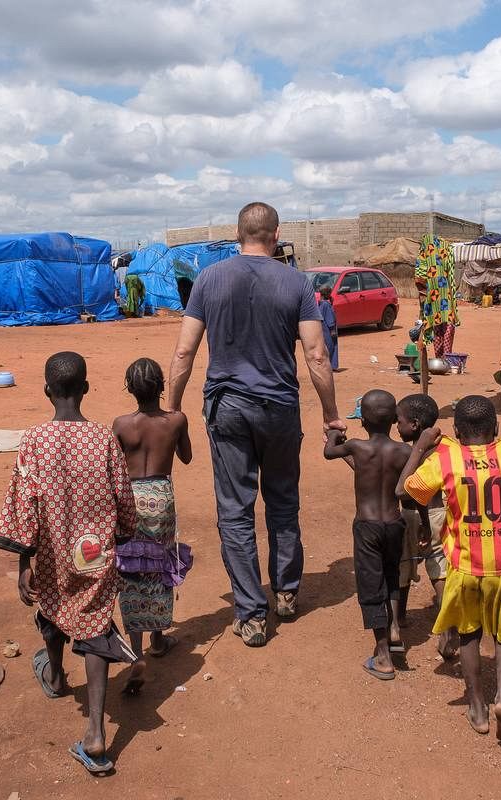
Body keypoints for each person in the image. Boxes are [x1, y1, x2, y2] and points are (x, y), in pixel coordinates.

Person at [167, 202, 345, 647]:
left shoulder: (209, 279)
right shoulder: (296, 283)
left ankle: (250, 614)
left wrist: (173, 408)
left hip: (227, 409)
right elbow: (316, 354)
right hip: (279, 408)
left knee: (235, 511)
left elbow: (185, 351)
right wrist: (330, 414)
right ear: (276, 234)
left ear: (237, 234)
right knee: (282, 501)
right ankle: (285, 592)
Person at [0, 352, 138, 775]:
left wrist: (24, 561)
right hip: (93, 553)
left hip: (53, 551)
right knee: (94, 626)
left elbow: (24, 502)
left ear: (46, 391)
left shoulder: (35, 440)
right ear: (86, 389)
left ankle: (56, 678)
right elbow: (123, 496)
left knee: (53, 605)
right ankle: (94, 732)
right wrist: (123, 533)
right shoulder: (103, 438)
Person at [398, 395, 501, 741]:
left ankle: (477, 706)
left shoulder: (446, 457)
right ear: (496, 428)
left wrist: (420, 446)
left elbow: (403, 491)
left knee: (469, 634)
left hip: (463, 567)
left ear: (456, 431)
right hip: (499, 568)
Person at [112, 358, 192, 695]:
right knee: (160, 566)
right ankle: (158, 639)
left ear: (129, 388)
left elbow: (114, 468)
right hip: (161, 498)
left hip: (130, 498)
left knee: (130, 567)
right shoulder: (176, 420)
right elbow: (186, 457)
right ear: (161, 386)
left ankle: (136, 650)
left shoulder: (121, 424)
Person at [324, 390, 410, 680]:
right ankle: (394, 627)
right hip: (394, 523)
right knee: (392, 575)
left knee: (371, 584)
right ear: (394, 419)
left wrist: (334, 434)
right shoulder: (404, 451)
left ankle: (383, 655)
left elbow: (329, 452)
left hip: (367, 526)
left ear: (362, 421)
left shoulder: (357, 447)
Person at [395, 393, 458, 659]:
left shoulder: (415, 453)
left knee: (408, 566)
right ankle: (449, 623)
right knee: (441, 569)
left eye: (399, 421)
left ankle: (401, 618)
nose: (396, 426)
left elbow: (403, 491)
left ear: (415, 425)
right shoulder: (449, 446)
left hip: (423, 515)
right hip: (447, 513)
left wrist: (417, 450)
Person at [318, 284, 339, 371]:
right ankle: (331, 365)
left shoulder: (320, 304)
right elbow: (330, 319)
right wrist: (332, 330)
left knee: (325, 347)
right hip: (328, 330)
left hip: (322, 330)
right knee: (331, 347)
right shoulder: (326, 305)